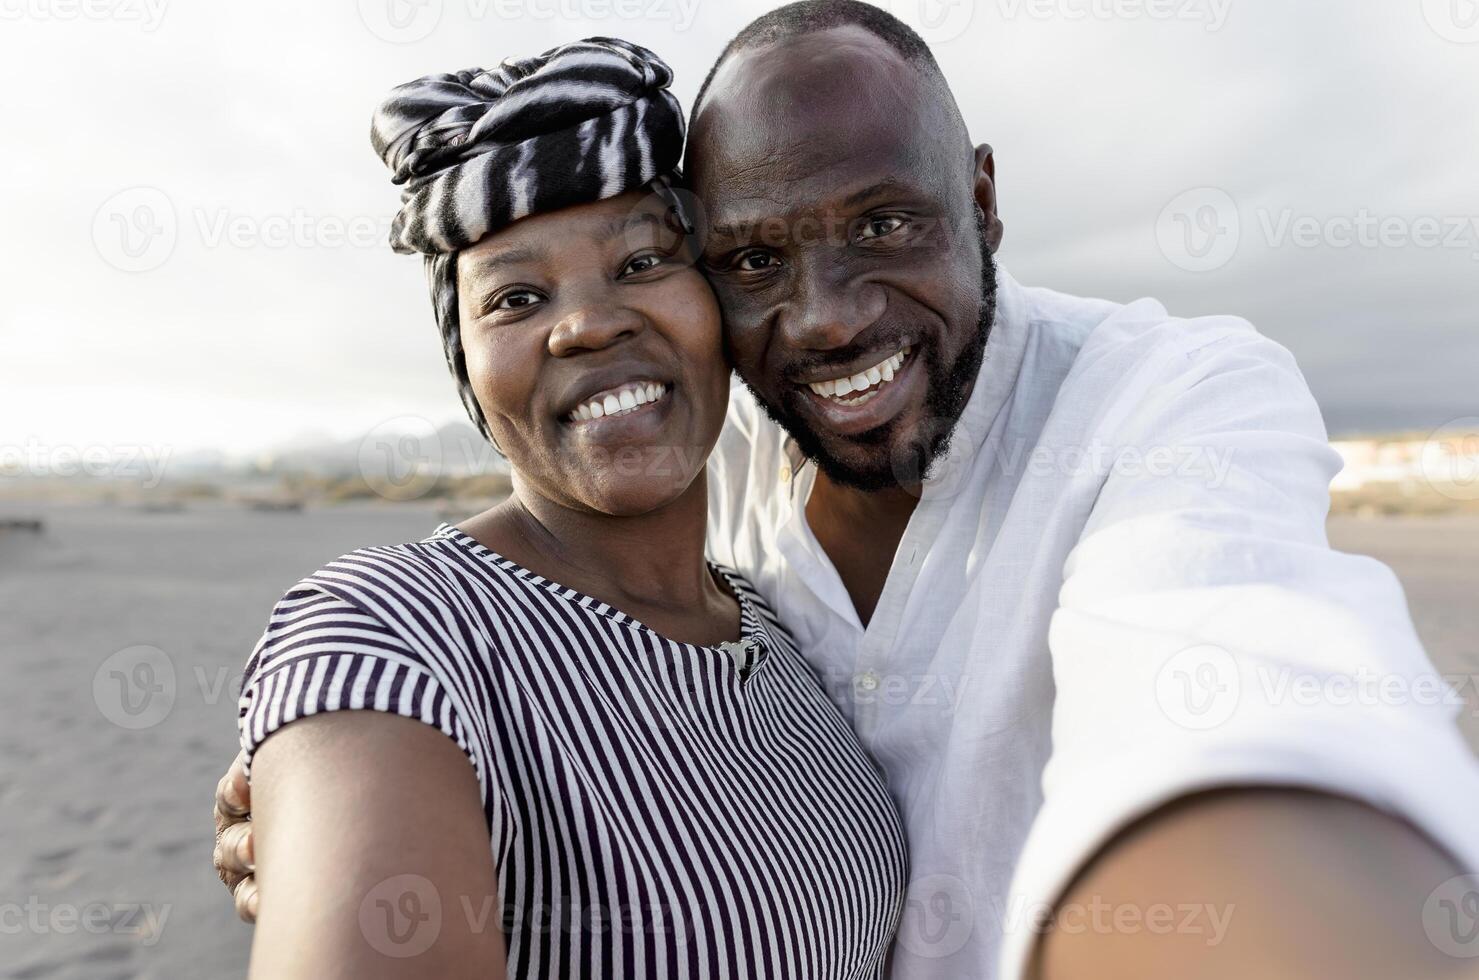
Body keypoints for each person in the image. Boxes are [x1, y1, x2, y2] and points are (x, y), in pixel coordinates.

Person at [220, 4, 1479, 978]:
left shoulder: (1158, 404)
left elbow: (1235, 686)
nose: (826, 320)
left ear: (982, 200)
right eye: (758, 257)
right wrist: (344, 799)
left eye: (884, 226)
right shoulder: (414, 621)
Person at [225, 36, 907, 980]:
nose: (587, 322)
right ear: (466, 367)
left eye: (640, 263)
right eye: (514, 296)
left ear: (719, 311)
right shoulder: (392, 633)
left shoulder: (774, 631)